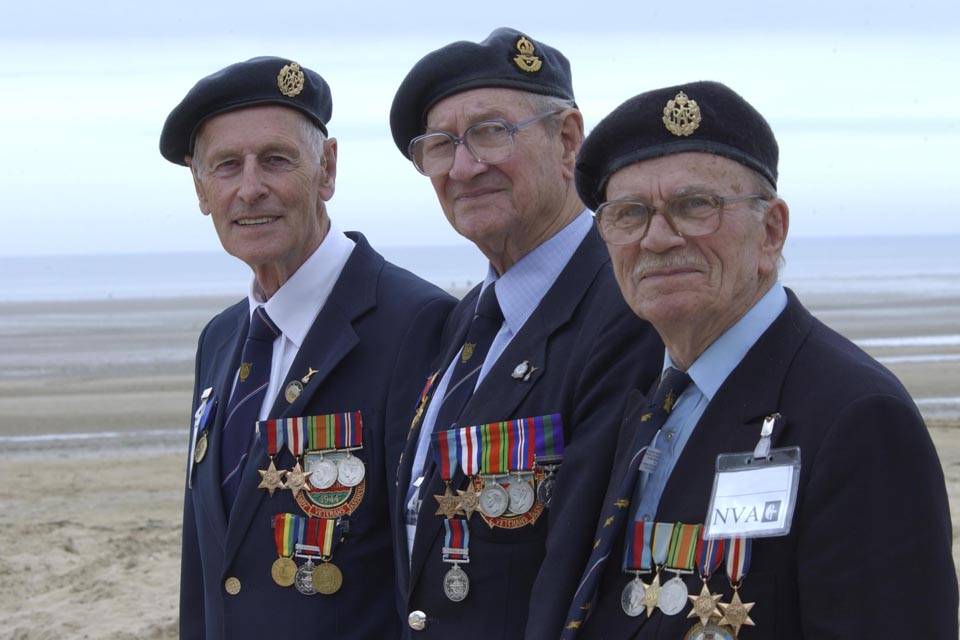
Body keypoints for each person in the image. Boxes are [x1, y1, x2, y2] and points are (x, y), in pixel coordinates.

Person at [561, 81, 958, 638]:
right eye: (629, 214)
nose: (656, 238)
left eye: (694, 205)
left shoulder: (858, 417)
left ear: (771, 231)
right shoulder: (647, 402)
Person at [159, 56, 455, 639]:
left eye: (275, 160)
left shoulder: (415, 324)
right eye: (226, 167)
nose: (250, 188)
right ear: (200, 190)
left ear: (327, 170)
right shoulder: (220, 340)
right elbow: (207, 564)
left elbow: (422, 572)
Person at [388, 28, 663, 639]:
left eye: (491, 131)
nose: (464, 166)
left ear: (567, 140)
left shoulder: (628, 309)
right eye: (441, 145)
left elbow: (591, 568)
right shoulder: (467, 321)